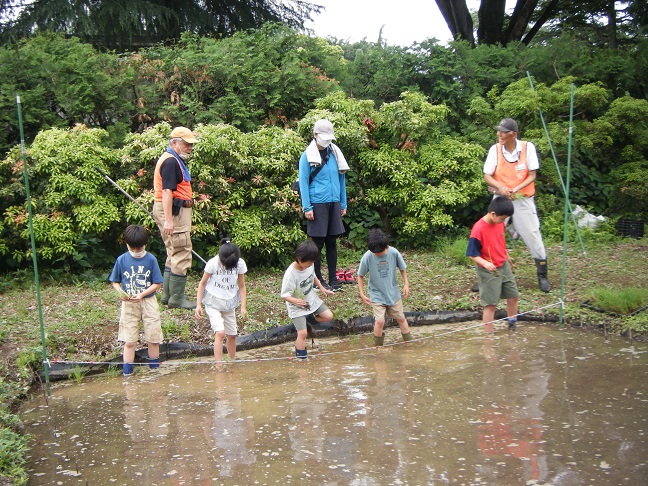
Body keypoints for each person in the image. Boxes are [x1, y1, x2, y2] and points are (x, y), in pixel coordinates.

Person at [482, 118, 551, 293]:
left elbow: (532, 174)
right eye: (499, 131)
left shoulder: (528, 148)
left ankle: (542, 274)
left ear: (513, 134)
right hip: (500, 198)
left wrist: (515, 188)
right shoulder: (495, 149)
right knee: (489, 234)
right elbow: (487, 176)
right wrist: (502, 188)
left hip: (523, 198)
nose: (499, 134)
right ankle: (487, 275)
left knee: (533, 235)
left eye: (503, 132)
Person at [297, 119, 350, 292]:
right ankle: (317, 280)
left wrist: (343, 203)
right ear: (315, 135)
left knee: (332, 242)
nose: (326, 141)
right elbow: (303, 182)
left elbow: (341, 179)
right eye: (323, 137)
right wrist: (307, 207)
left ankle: (334, 279)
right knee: (317, 244)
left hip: (334, 202)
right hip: (317, 203)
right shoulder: (307, 156)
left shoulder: (335, 153)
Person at [153, 126, 199, 309]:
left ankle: (167, 296)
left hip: (170, 210)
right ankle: (177, 299)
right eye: (186, 144)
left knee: (172, 250)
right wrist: (169, 220)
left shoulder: (171, 159)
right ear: (174, 143)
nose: (190, 148)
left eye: (191, 144)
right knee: (182, 249)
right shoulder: (171, 162)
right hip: (174, 211)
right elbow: (166, 191)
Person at [109, 224, 164, 376]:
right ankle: (127, 373)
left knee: (153, 338)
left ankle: (155, 372)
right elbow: (115, 281)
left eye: (138, 249)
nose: (135, 252)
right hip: (129, 304)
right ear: (127, 244)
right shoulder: (122, 260)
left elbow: (157, 283)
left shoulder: (151, 259)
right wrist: (121, 293)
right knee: (129, 340)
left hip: (148, 302)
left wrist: (142, 294)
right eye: (132, 248)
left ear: (144, 245)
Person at [466, 197, 520, 333]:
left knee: (513, 296)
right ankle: (488, 336)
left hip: (503, 266)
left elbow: (500, 239)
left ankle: (512, 325)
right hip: (489, 271)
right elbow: (472, 254)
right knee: (491, 305)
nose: (503, 222)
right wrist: (485, 263)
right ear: (493, 214)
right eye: (502, 219)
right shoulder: (478, 230)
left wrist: (506, 255)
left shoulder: (499, 223)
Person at [195, 238, 247, 363]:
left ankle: (231, 362)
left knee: (232, 335)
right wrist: (198, 305)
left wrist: (243, 307)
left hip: (229, 301)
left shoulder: (240, 263)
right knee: (220, 333)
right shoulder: (213, 263)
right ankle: (218, 366)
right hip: (213, 301)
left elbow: (241, 286)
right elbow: (202, 283)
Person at [281, 240, 335, 359]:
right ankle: (301, 358)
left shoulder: (309, 265)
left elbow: (313, 276)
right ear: (299, 260)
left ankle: (309, 321)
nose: (311, 265)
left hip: (310, 299)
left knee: (328, 316)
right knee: (303, 333)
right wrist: (296, 301)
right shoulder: (290, 275)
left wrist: (322, 288)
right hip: (297, 306)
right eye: (310, 263)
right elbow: (284, 295)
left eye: (313, 263)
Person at [357, 228, 412, 346]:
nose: (376, 254)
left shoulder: (394, 253)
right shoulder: (368, 256)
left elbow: (403, 268)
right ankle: (378, 347)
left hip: (393, 293)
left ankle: (409, 343)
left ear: (386, 247)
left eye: (379, 252)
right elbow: (360, 275)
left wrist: (406, 284)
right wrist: (362, 293)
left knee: (401, 318)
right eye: (374, 252)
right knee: (380, 321)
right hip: (376, 294)